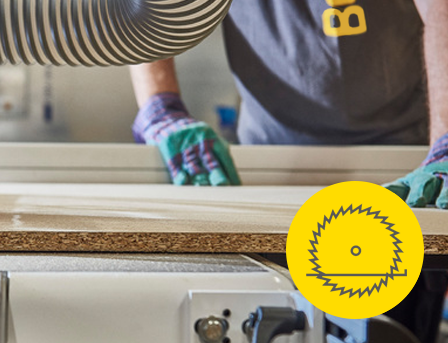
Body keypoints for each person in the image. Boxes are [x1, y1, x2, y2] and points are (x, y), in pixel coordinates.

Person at [129, 1, 447, 342]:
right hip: (271, 165)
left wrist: (446, 141)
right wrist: (161, 107)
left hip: (407, 169)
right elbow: (151, 7)